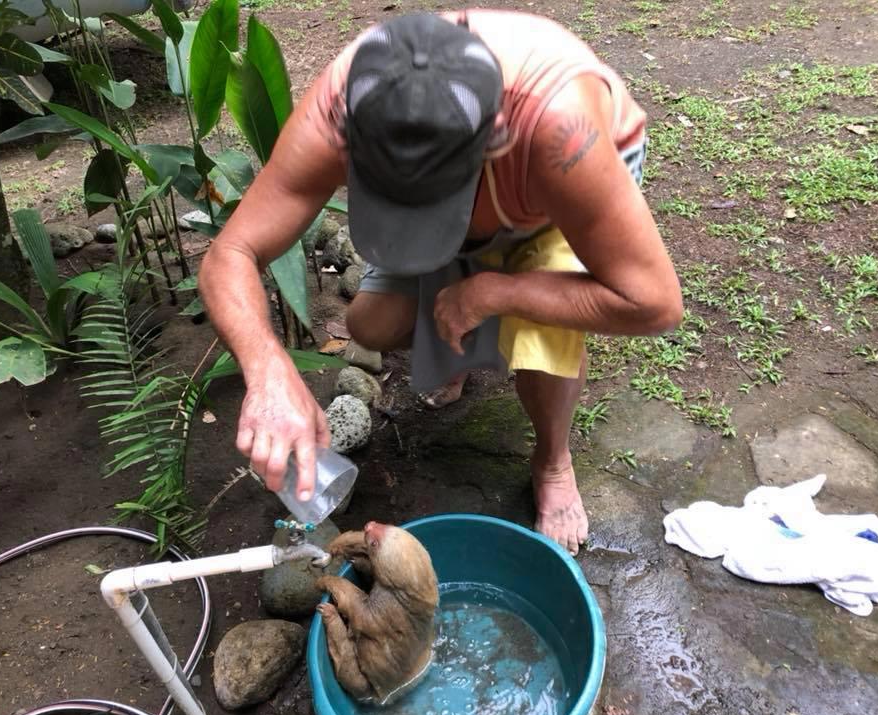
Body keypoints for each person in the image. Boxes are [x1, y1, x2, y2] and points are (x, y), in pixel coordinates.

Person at [198, 9, 683, 555]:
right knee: (373, 322)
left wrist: (499, 291)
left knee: (540, 337)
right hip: (479, 175)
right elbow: (231, 251)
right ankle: (465, 351)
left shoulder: (558, 131)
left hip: (558, 191)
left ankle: (552, 459)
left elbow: (653, 303)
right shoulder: (344, 106)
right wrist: (266, 369)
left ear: (495, 140)